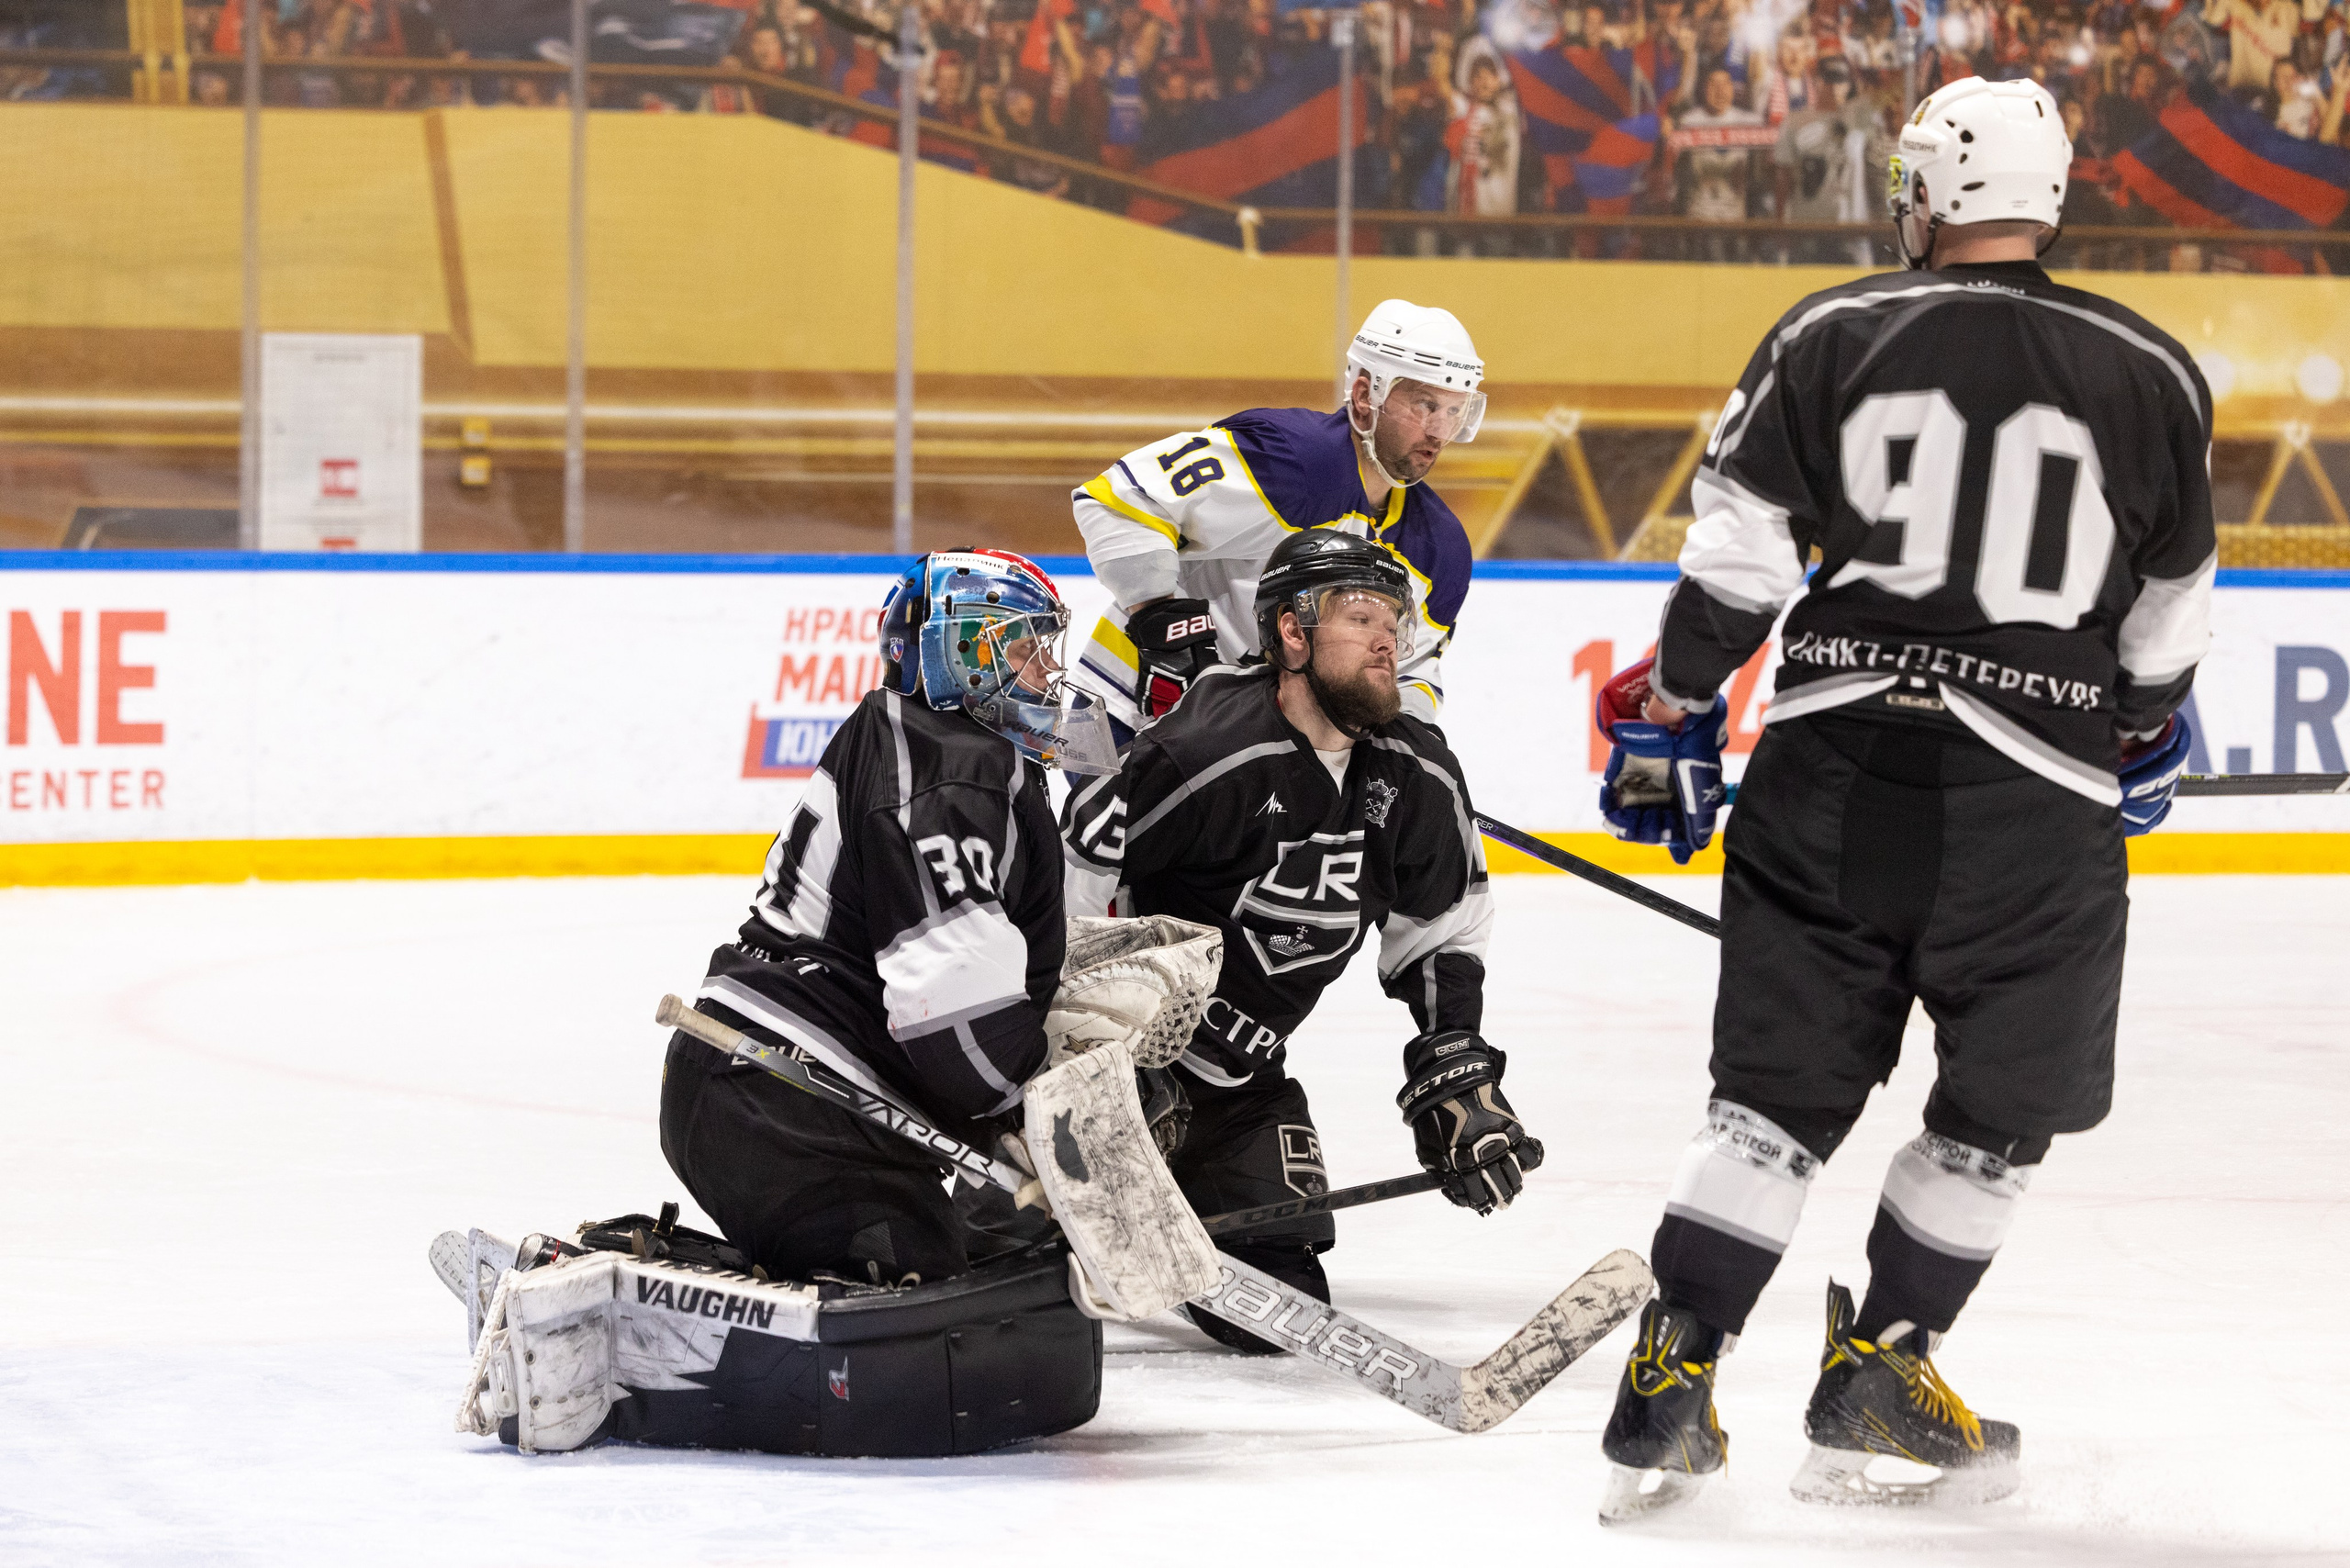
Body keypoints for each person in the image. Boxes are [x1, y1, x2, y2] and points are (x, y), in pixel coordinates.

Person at [1592, 75, 2212, 1520]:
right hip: (2032, 800)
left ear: (1936, 187)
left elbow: (1739, 563)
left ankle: (1671, 1373)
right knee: (1997, 1114)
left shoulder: (1829, 329)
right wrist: (2141, 731)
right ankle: (1887, 1358)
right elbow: (2169, 621)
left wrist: (1678, 713)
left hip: (1832, 766)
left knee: (1769, 1103)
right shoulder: (2152, 368)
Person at [1062, 530, 1537, 1353]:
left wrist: (1453, 1061)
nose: (1389, 637)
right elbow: (1072, 901)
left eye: (1395, 617)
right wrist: (1097, 1067)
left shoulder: (1417, 773)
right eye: (1360, 617)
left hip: (1243, 1083)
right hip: (1120, 1076)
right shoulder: (1202, 754)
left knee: (1275, 1300)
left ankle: (1166, 1212)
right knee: (1014, 1263)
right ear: (1290, 632)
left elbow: (1440, 927)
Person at [661, 547, 1117, 1289]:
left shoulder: (933, 746)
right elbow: (953, 1014)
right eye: (1024, 645)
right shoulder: (949, 770)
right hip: (792, 1103)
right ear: (961, 651)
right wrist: (1039, 1103)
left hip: (766, 1089)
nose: (1045, 669)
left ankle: (719, 1272)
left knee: (988, 1268)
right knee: (945, 1321)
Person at [1069, 299, 1483, 741]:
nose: (1440, 431)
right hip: (1124, 710)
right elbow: (1119, 500)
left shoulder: (1441, 548)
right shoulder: (1293, 462)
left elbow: (1415, 671)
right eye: (1425, 405)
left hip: (1257, 753)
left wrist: (1402, 743)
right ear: (1365, 396)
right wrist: (1162, 624)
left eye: (1455, 411)